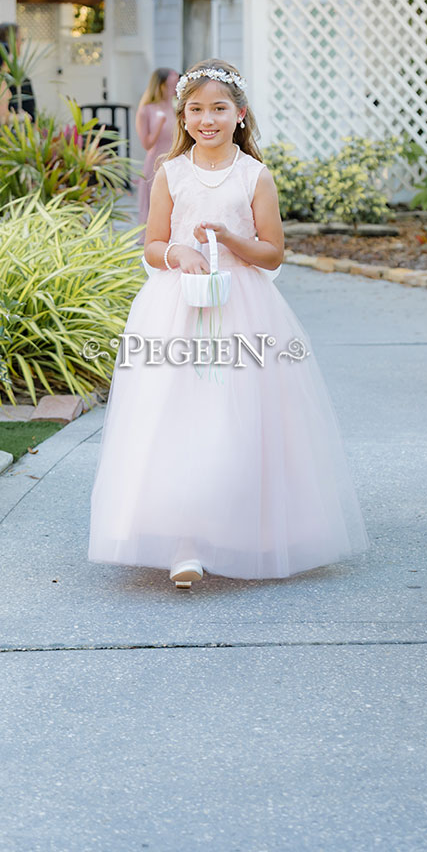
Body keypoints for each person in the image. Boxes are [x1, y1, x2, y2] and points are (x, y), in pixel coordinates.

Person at [87, 58, 370, 588]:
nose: (207, 119)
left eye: (219, 109)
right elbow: (150, 244)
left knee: (241, 421)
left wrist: (229, 241)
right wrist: (179, 253)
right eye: (196, 109)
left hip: (243, 310)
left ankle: (247, 530)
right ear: (183, 116)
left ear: (240, 115)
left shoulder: (254, 175)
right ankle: (183, 542)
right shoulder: (170, 173)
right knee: (177, 419)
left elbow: (272, 252)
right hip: (177, 310)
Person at [134, 67, 179, 225]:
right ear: (160, 85)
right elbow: (146, 144)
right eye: (172, 84)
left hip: (176, 162)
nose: (175, 89)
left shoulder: (176, 108)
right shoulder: (146, 110)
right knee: (156, 205)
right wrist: (158, 126)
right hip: (156, 164)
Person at [0, 21, 36, 133]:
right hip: (7, 135)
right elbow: (0, 117)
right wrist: (22, 117)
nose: (21, 44)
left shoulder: (6, 77)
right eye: (20, 40)